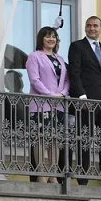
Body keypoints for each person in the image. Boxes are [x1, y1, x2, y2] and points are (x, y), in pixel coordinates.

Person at [68, 16, 101, 187]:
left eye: (95, 26)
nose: (92, 28)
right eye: (89, 25)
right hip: (86, 101)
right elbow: (74, 73)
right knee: (84, 139)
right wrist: (81, 96)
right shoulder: (77, 46)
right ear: (85, 28)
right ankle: (83, 176)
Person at [26, 26, 70, 183]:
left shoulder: (60, 59)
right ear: (41, 39)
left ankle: (53, 175)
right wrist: (51, 95)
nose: (51, 39)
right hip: (40, 105)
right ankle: (41, 174)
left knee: (55, 141)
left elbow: (66, 80)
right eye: (47, 36)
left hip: (58, 105)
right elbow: (34, 80)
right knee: (41, 139)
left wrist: (63, 94)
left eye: (54, 36)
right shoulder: (34, 56)